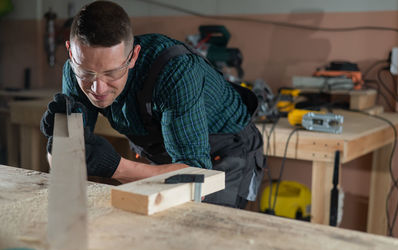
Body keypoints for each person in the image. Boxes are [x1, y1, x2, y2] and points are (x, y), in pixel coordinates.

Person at [40, 0, 265, 209]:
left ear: (134, 56)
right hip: (168, 156)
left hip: (224, 151)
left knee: (203, 237)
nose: (98, 89)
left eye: (112, 73)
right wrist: (60, 143)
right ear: (71, 52)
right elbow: (64, 162)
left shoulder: (175, 71)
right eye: (87, 73)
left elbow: (199, 178)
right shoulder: (73, 70)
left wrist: (116, 167)